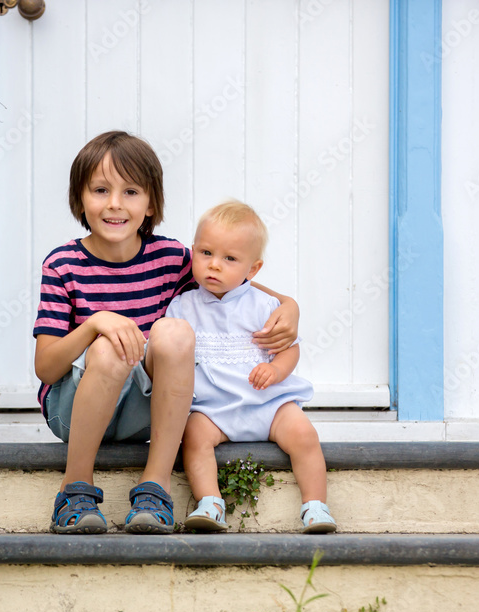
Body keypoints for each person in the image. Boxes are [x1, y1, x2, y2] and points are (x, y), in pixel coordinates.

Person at [33, 131, 299, 535]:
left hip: (147, 413)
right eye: (101, 190)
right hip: (75, 410)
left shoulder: (173, 258)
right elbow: (47, 369)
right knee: (108, 350)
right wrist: (93, 324)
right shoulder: (63, 264)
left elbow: (234, 279)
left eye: (131, 191)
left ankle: (154, 488)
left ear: (151, 202)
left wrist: (288, 304)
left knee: (174, 332)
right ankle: (75, 488)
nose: (115, 204)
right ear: (80, 198)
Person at [165, 200, 337, 534]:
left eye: (229, 259)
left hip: (267, 404)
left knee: (304, 434)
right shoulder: (182, 306)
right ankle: (210, 503)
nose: (214, 265)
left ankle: (315, 506)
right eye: (205, 253)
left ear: (253, 269)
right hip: (213, 410)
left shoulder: (264, 305)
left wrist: (276, 371)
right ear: (193, 251)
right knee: (193, 435)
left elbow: (289, 349)